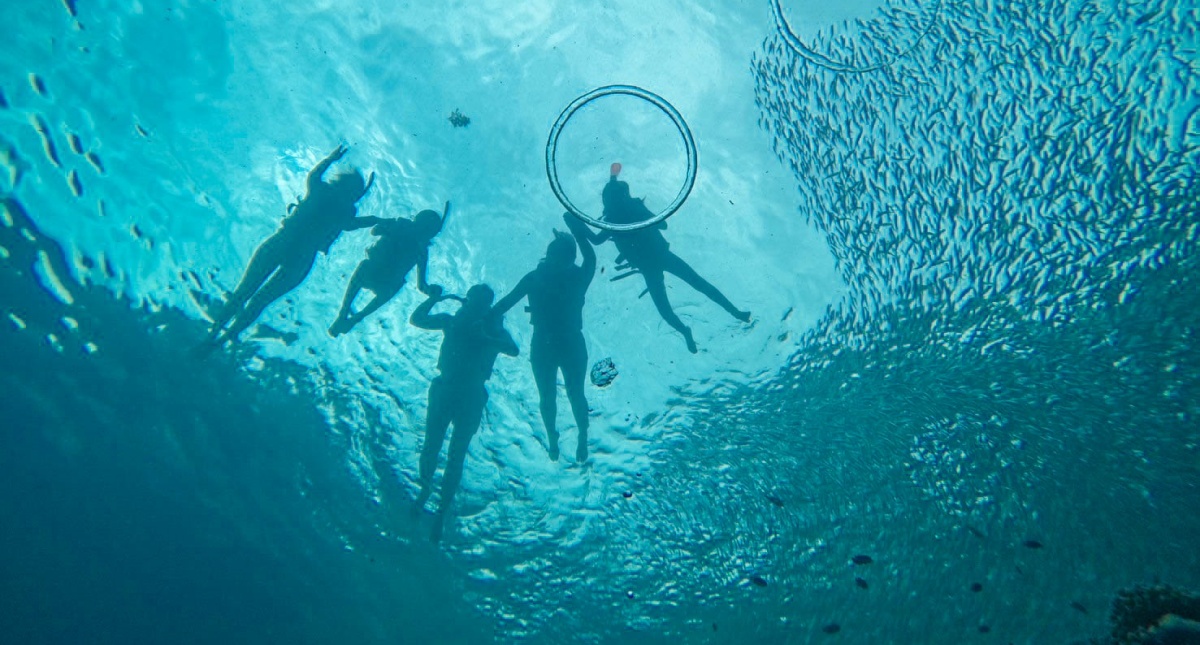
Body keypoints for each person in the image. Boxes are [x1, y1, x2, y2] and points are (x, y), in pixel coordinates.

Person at [206, 144, 379, 345]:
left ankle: (216, 337)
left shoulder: (328, 196)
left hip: (288, 247)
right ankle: (217, 338)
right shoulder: (342, 206)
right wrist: (374, 217)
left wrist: (331, 159)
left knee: (248, 295)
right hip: (297, 254)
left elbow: (315, 177)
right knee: (252, 298)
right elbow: (349, 222)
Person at [581, 163, 750, 353]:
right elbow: (660, 226)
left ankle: (733, 312)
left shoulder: (621, 214)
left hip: (657, 258)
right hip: (655, 261)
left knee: (690, 290)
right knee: (676, 300)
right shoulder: (618, 216)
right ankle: (692, 328)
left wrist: (576, 225)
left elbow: (598, 239)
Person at [411, 283, 518, 542]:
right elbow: (417, 319)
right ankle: (425, 492)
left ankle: (439, 511)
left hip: (469, 392)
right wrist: (434, 298)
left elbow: (513, 350)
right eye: (475, 300)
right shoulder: (452, 321)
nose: (477, 305)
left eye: (483, 302)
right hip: (448, 386)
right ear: (467, 301)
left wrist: (487, 338)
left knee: (454, 454)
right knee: (433, 446)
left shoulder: (493, 328)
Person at [494, 213, 596, 463]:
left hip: (565, 342)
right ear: (549, 254)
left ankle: (582, 435)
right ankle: (553, 437)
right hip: (548, 343)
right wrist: (486, 316)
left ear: (569, 259)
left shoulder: (573, 277)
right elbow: (507, 301)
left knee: (574, 393)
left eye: (561, 256)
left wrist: (577, 230)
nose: (556, 260)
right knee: (549, 396)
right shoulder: (536, 277)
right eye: (554, 254)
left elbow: (591, 258)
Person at [327, 203, 448, 337]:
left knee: (369, 270)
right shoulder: (418, 247)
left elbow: (375, 231)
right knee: (375, 273)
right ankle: (350, 316)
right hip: (382, 280)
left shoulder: (416, 244)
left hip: (379, 277)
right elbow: (421, 286)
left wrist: (431, 293)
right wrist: (431, 292)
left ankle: (349, 315)